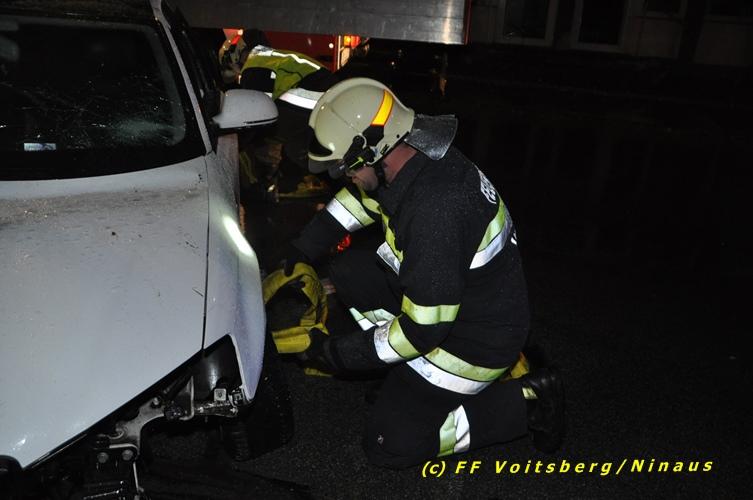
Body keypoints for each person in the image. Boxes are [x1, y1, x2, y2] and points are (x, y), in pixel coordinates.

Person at [283, 77, 565, 469]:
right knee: (349, 272)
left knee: (389, 444)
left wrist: (334, 354)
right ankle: (409, 378)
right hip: (452, 300)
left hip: (475, 342)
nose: (344, 177)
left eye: (346, 167)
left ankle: (527, 403)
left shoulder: (436, 211)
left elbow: (421, 330)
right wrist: (304, 247)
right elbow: (363, 201)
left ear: (373, 150)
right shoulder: (413, 158)